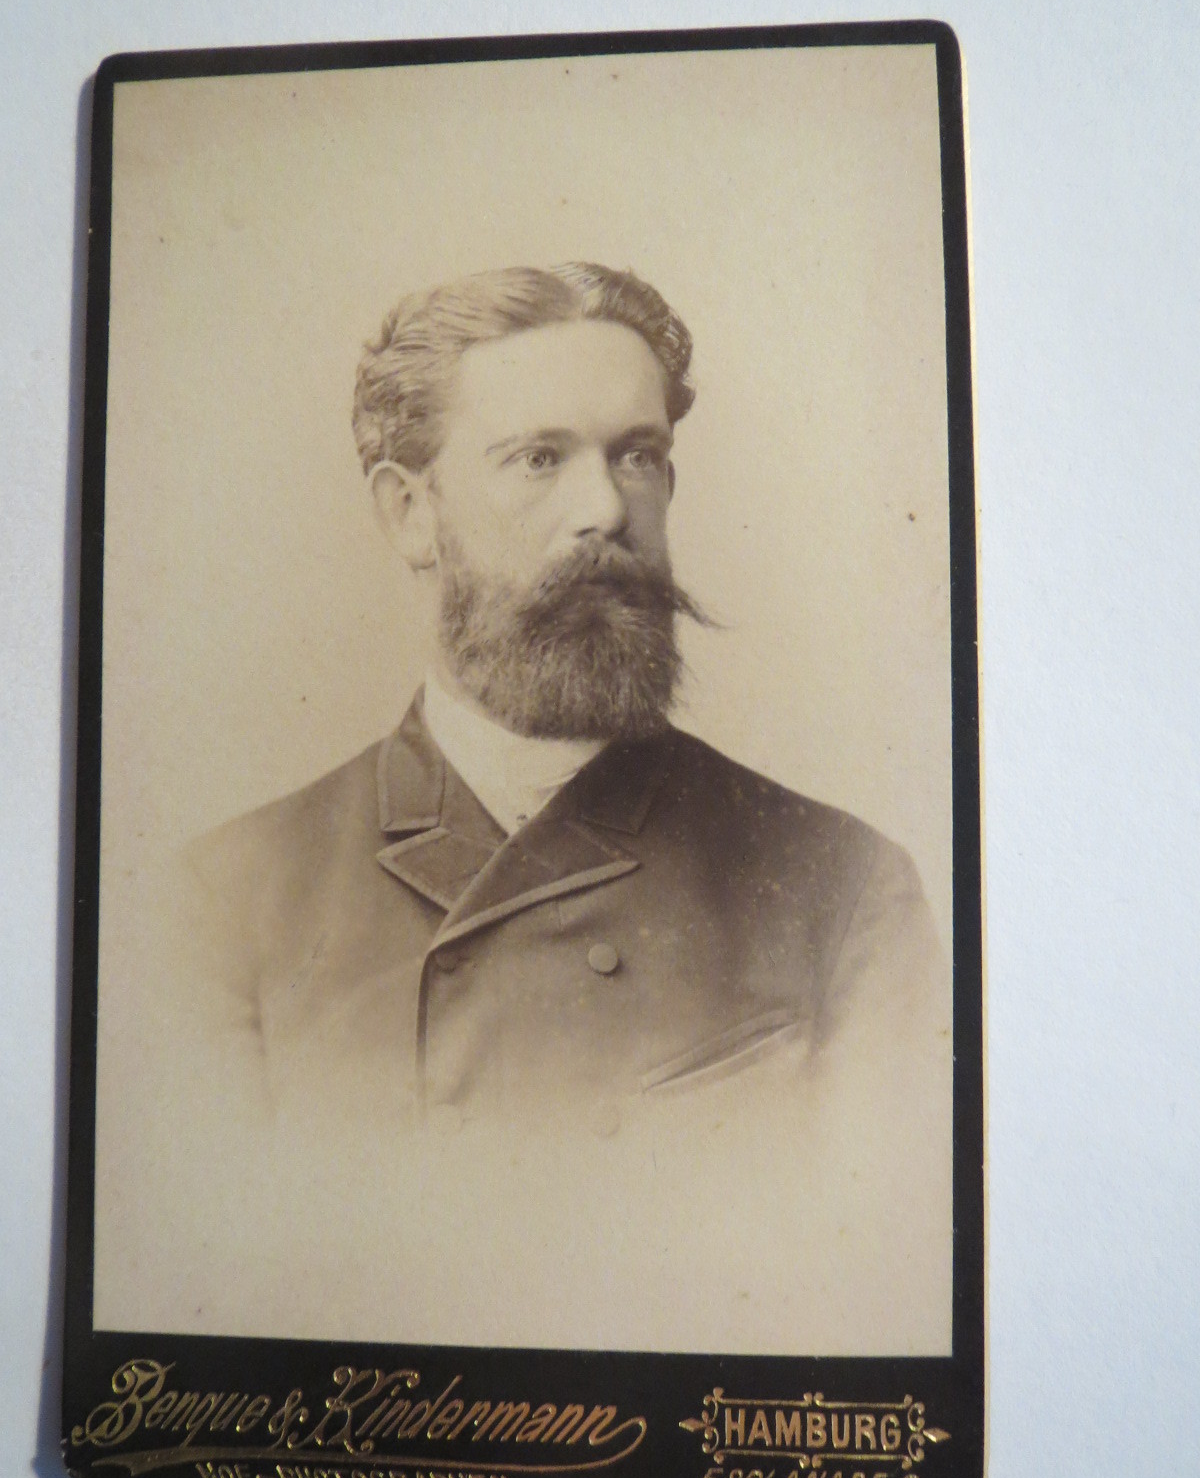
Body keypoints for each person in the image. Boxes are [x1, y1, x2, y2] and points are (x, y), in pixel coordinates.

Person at [103, 262, 952, 1351]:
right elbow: (207, 1314)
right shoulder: (223, 903)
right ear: (410, 514)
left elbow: (878, 1299)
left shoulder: (842, 886)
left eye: (638, 456)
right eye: (539, 459)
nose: (606, 511)